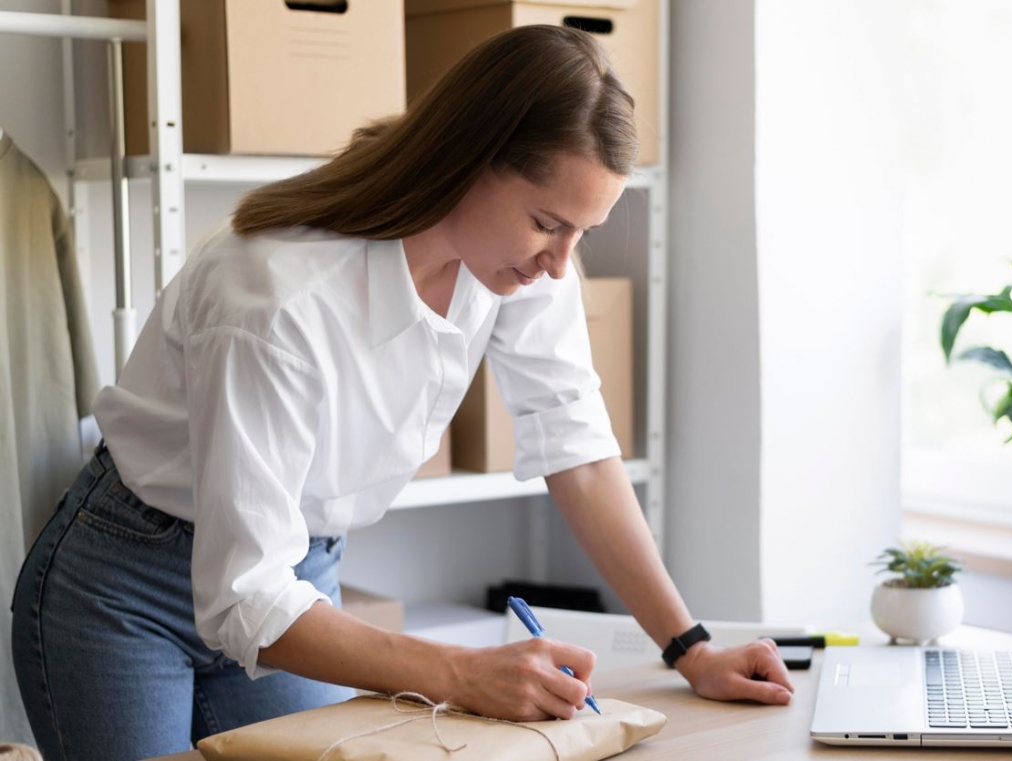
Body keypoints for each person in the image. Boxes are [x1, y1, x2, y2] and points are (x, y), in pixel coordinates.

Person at [11, 24, 793, 760]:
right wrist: (462, 673)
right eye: (549, 223)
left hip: (297, 580)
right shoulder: (277, 297)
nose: (561, 264)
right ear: (468, 159)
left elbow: (578, 449)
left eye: (581, 233)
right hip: (128, 586)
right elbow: (240, 592)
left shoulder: (524, 268)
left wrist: (690, 648)